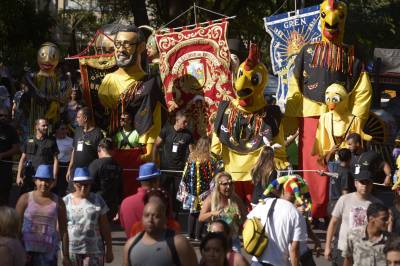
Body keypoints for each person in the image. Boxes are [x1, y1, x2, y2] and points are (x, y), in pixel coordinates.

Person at [325, 169, 382, 265]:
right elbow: (333, 222)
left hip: (365, 252)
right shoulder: (344, 199)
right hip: (343, 249)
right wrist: (327, 246)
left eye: (368, 183)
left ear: (372, 185)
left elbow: (382, 228)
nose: (365, 186)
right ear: (356, 183)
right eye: (362, 182)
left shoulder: (377, 204)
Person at [15, 164, 70, 266]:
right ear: (35, 181)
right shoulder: (25, 198)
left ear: (53, 182)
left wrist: (66, 256)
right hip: (25, 251)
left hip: (49, 254)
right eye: (41, 180)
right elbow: (15, 226)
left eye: (48, 180)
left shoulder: (59, 202)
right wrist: (15, 250)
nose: (44, 183)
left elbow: (63, 230)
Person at [247, 182, 308, 266]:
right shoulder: (296, 214)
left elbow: (246, 224)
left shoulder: (266, 202)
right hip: (279, 263)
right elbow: (294, 249)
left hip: (258, 260)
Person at [123, 200, 197, 266]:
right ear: (142, 218)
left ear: (165, 219)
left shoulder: (179, 243)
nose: (150, 220)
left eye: (156, 216)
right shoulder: (130, 245)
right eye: (146, 215)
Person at [63, 167, 113, 265]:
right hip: (72, 251)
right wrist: (64, 254)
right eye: (79, 185)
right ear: (74, 184)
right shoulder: (65, 201)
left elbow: (105, 226)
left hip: (95, 251)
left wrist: (109, 249)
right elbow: (61, 230)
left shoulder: (98, 200)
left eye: (86, 185)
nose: (83, 188)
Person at [177, 137, 219, 241]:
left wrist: (185, 187)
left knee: (192, 213)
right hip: (204, 191)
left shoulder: (191, 157)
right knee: (201, 212)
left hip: (191, 191)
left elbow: (185, 174)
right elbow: (212, 176)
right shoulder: (210, 159)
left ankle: (190, 235)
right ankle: (198, 236)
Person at [152, 110, 194, 214]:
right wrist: (154, 162)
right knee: (162, 194)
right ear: (177, 120)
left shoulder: (188, 135)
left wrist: (191, 166)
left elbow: (192, 152)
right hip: (165, 170)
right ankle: (161, 213)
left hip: (179, 172)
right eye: (184, 122)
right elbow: (156, 146)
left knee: (177, 197)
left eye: (187, 122)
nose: (186, 124)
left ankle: (175, 217)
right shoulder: (166, 131)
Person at [199, 172, 247, 252]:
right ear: (218, 186)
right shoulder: (211, 199)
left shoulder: (235, 198)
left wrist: (240, 218)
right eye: (225, 184)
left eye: (230, 183)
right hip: (215, 239)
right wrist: (212, 213)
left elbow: (245, 217)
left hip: (232, 239)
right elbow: (201, 218)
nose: (228, 187)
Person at [17, 118, 59, 193]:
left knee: (43, 201)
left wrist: (54, 178)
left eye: (47, 125)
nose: (46, 127)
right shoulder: (29, 139)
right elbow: (23, 158)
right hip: (29, 177)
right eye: (43, 125)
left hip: (44, 178)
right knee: (27, 200)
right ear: (37, 127)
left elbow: (56, 160)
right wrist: (18, 176)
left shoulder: (52, 140)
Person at [119, 162, 160, 236]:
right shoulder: (160, 202)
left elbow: (123, 225)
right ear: (155, 182)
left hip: (131, 245)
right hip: (156, 246)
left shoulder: (125, 202)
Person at [66, 107, 103, 181]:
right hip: (75, 171)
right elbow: (74, 150)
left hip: (90, 172)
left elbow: (101, 154)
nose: (76, 119)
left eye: (78, 117)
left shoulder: (98, 133)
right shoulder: (77, 131)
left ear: (85, 118)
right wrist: (69, 168)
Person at [89, 138, 122, 220]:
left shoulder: (96, 164)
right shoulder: (118, 165)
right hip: (111, 205)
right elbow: (120, 189)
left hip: (96, 204)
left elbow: (87, 184)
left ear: (101, 148)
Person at [319, 148, 355, 214]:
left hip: (331, 205)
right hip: (340, 206)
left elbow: (335, 174)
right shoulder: (346, 173)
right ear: (350, 158)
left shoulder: (335, 168)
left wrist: (324, 173)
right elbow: (345, 193)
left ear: (338, 158)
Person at [0, 107, 20, 205]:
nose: (3, 117)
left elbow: (16, 148)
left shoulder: (11, 130)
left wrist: (2, 155)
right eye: (1, 115)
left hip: (5, 167)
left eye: (6, 116)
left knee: (4, 194)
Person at [54, 122, 73, 196]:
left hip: (65, 168)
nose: (64, 131)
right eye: (62, 129)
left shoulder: (71, 141)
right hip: (53, 167)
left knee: (62, 190)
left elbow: (73, 155)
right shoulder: (52, 140)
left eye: (66, 129)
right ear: (56, 130)